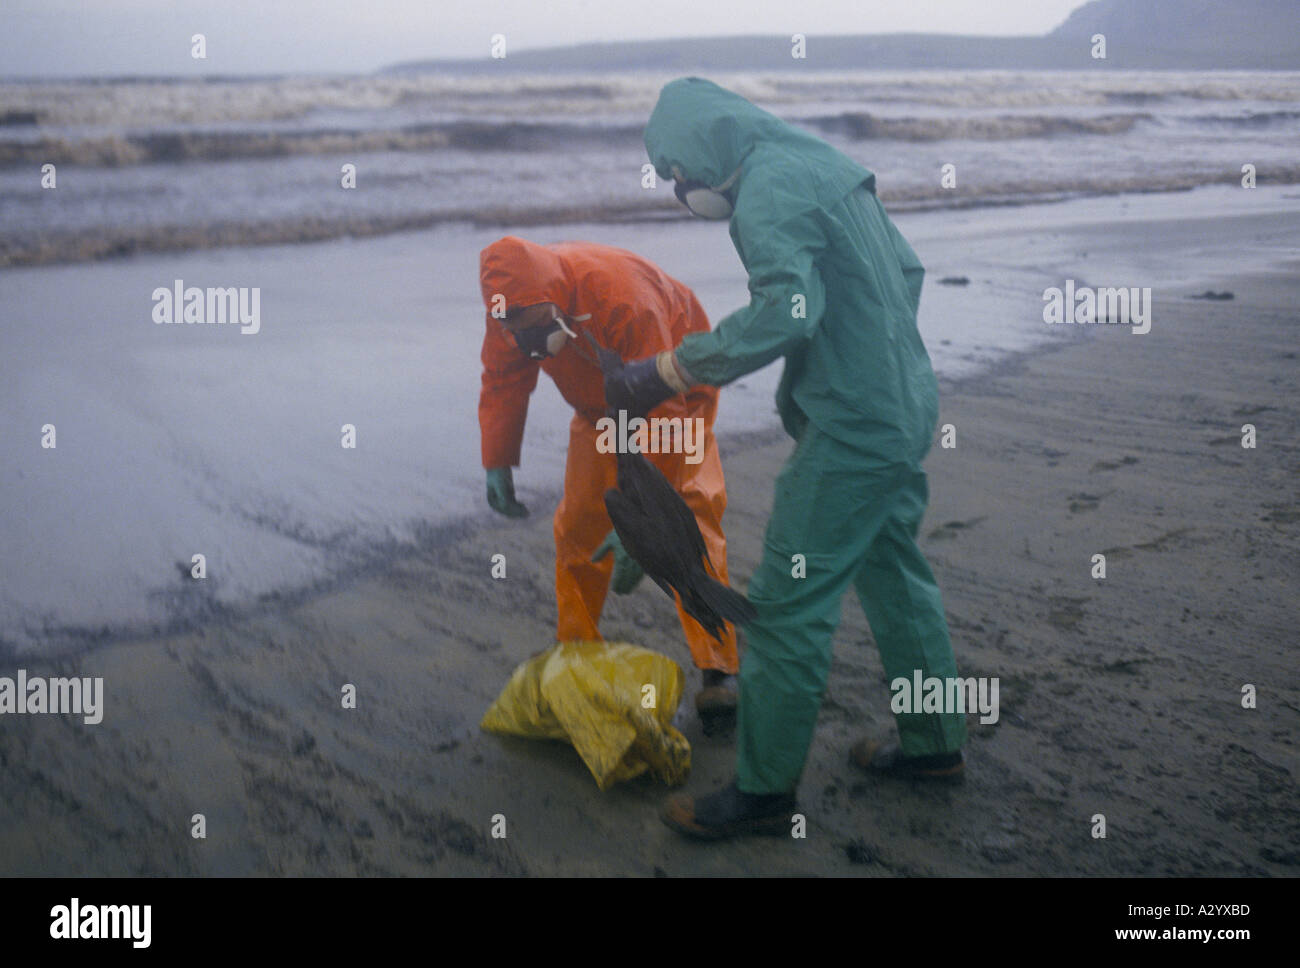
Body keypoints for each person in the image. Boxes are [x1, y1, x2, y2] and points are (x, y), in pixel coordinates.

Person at [605, 78, 968, 838]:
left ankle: (764, 794)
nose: (680, 187)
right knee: (897, 575)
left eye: (678, 171)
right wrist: (864, 359)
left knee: (784, 602)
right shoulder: (824, 168)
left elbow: (785, 310)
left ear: (705, 147)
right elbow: (904, 274)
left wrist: (667, 370)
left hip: (854, 430)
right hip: (905, 403)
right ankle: (935, 744)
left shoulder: (767, 190)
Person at [477, 235, 739, 722]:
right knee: (579, 525)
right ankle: (576, 649)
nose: (528, 344)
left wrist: (646, 521)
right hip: (597, 409)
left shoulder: (622, 298)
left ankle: (719, 668)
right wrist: (497, 458)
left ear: (552, 296)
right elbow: (502, 378)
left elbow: (664, 413)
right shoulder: (508, 311)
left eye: (535, 327)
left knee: (691, 516)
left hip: (677, 393)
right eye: (515, 331)